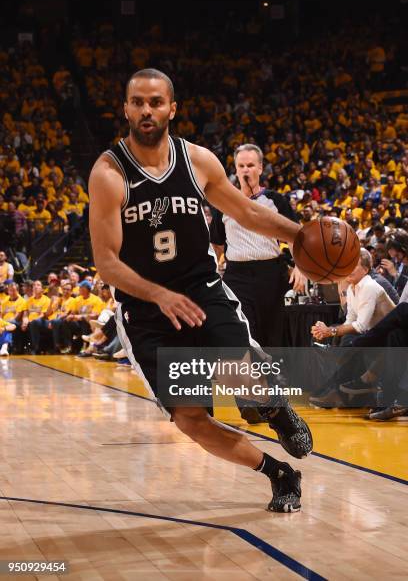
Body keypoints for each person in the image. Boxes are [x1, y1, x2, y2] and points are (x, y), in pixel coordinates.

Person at [89, 68, 312, 513]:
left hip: (203, 289)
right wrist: (158, 295)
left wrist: (300, 235)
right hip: (146, 310)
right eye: (137, 102)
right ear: (126, 109)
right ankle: (278, 472)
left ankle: (276, 408)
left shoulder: (198, 160)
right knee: (192, 419)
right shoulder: (109, 173)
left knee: (242, 370)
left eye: (155, 101)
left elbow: (246, 212)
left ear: (173, 107)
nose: (146, 110)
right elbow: (106, 262)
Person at [210, 143, 306, 424]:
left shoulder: (275, 200)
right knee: (242, 338)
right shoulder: (223, 203)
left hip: (271, 272)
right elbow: (216, 241)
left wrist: (299, 266)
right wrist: (215, 265)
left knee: (271, 337)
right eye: (241, 166)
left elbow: (297, 236)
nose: (245, 170)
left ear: (261, 168)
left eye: (251, 165)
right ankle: (247, 402)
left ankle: (274, 403)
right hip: (237, 274)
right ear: (235, 169)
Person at [310, 249, 396, 406]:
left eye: (353, 265)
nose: (348, 269)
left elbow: (361, 325)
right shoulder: (351, 288)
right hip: (373, 335)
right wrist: (329, 332)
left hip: (393, 339)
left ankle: (337, 391)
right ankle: (339, 393)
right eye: (346, 266)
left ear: (365, 269)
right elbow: (350, 319)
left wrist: (330, 331)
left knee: (352, 344)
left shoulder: (370, 286)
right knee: (348, 339)